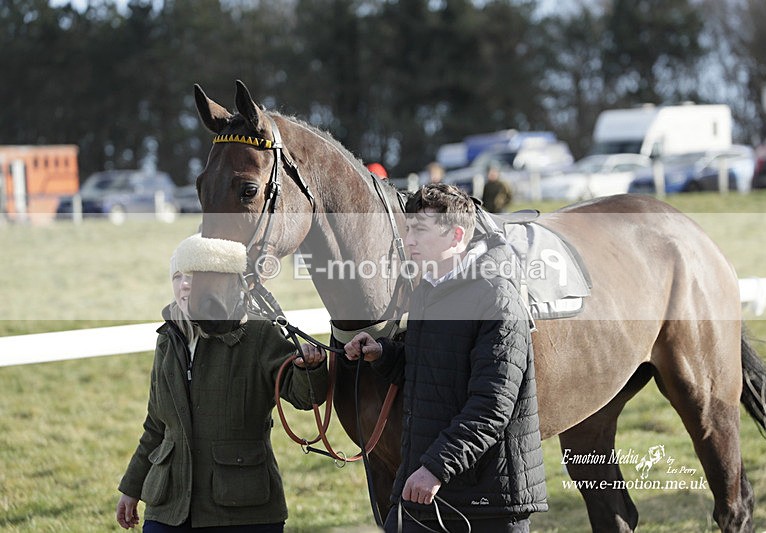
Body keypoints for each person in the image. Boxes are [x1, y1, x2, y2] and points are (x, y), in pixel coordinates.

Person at [344, 184, 547, 532]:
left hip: (487, 504)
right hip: (424, 489)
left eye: (419, 230)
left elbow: (492, 406)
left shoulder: (496, 298)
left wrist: (436, 468)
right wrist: (383, 354)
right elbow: (432, 367)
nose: (408, 240)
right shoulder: (427, 291)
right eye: (408, 229)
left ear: (456, 236)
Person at [115, 237, 329, 532]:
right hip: (169, 506)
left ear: (225, 282)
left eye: (196, 277)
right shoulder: (168, 339)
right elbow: (157, 424)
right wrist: (132, 487)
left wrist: (311, 368)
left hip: (243, 508)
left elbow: (306, 398)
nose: (186, 285)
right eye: (179, 277)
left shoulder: (260, 334)